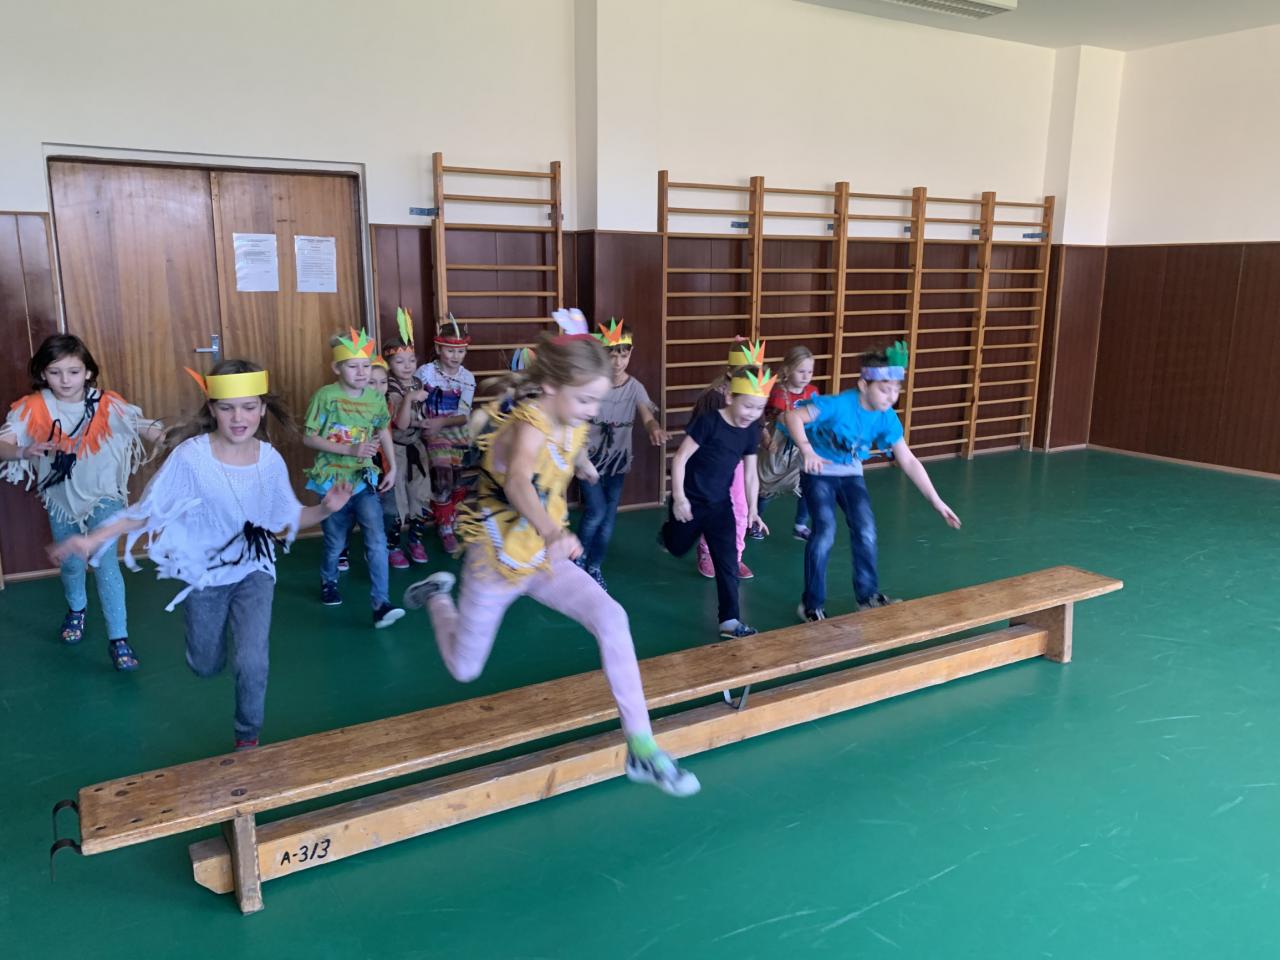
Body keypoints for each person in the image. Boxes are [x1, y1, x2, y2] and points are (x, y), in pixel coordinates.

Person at [403, 310, 699, 797]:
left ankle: (641, 746)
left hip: (544, 560)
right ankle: (437, 595)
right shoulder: (530, 423)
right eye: (585, 399)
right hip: (497, 561)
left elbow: (566, 448)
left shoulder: (570, 418)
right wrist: (550, 529)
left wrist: (582, 464)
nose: (591, 409)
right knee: (464, 668)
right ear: (551, 388)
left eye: (596, 400)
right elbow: (519, 479)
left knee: (612, 618)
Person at [50, 361, 352, 749]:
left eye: (248, 407)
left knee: (252, 661)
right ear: (212, 409)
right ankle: (206, 655)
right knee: (206, 663)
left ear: (262, 409)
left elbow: (287, 518)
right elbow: (147, 510)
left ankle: (248, 738)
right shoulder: (191, 457)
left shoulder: (269, 460)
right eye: (227, 408)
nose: (238, 418)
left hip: (255, 570)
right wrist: (94, 539)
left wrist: (325, 509)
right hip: (204, 575)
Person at [0, 334, 158, 670]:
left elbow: (143, 427)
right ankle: (77, 609)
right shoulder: (33, 407)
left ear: (88, 372)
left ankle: (119, 639)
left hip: (105, 495)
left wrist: (173, 437)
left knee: (105, 562)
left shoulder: (107, 404)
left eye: (73, 372)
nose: (65, 380)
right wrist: (23, 450)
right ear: (43, 373)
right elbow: (4, 444)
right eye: (55, 372)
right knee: (71, 563)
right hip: (61, 499)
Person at [781, 342, 962, 622]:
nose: (891, 397)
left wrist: (936, 501)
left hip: (850, 474)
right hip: (819, 473)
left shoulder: (886, 417)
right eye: (884, 389)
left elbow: (908, 460)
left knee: (866, 530)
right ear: (863, 385)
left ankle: (867, 597)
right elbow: (792, 415)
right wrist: (806, 450)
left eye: (896, 390)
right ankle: (811, 604)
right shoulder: (839, 405)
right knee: (825, 532)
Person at [660, 366, 771, 639]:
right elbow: (680, 458)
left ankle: (729, 621)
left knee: (727, 561)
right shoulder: (709, 422)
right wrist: (679, 498)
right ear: (730, 397)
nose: (752, 414)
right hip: (691, 501)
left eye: (759, 408)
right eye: (748, 406)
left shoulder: (750, 431)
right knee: (676, 546)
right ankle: (667, 534)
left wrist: (753, 510)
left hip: (721, 505)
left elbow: (750, 473)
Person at [303, 328, 403, 627]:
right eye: (353, 366)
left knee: (377, 539)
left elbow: (383, 429)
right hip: (332, 481)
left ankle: (381, 603)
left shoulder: (375, 398)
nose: (361, 373)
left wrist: (393, 466)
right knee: (335, 540)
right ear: (337, 368)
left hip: (363, 480)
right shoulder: (326, 397)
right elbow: (308, 437)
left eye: (366, 366)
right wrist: (350, 448)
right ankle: (329, 580)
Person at [575, 317, 667, 590]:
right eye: (611, 355)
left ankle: (594, 565)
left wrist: (654, 428)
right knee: (596, 511)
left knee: (608, 518)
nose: (617, 362)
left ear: (630, 354)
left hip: (617, 463)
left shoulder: (635, 387)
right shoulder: (591, 384)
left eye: (623, 355)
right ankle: (577, 559)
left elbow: (647, 416)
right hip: (589, 460)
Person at [415, 315, 475, 554]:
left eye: (461, 351)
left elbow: (464, 415)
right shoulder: (425, 372)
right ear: (439, 348)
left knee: (457, 479)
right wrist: (424, 423)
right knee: (442, 477)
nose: (455, 356)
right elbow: (416, 403)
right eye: (450, 350)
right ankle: (445, 527)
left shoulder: (467, 377)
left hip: (456, 430)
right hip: (431, 430)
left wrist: (441, 422)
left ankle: (451, 515)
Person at [383, 308, 433, 568]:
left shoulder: (417, 383)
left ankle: (415, 541)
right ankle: (391, 547)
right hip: (396, 451)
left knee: (419, 496)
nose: (407, 366)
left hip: (416, 447)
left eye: (411, 360)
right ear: (389, 365)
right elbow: (400, 423)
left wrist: (424, 422)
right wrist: (410, 399)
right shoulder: (389, 387)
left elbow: (417, 416)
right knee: (396, 501)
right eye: (400, 362)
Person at [754, 344, 818, 542]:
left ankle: (800, 525)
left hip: (801, 446)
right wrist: (766, 438)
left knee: (809, 484)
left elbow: (817, 418)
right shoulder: (776, 392)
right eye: (801, 371)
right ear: (788, 370)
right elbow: (760, 418)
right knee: (766, 488)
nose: (806, 376)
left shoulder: (813, 392)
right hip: (777, 446)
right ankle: (754, 521)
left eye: (810, 372)